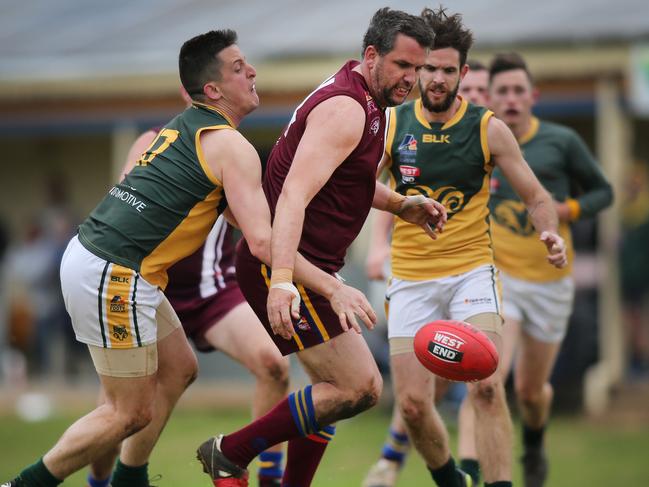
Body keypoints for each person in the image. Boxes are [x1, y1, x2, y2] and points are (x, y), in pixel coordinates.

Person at [3, 29, 371, 487]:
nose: (252, 71)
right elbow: (262, 242)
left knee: (179, 368)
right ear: (213, 89)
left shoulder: (186, 127)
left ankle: (129, 477)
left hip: (115, 266)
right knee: (126, 412)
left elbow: (252, 221)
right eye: (238, 68)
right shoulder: (232, 147)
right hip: (115, 272)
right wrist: (332, 285)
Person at [194, 8, 442, 487]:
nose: (411, 78)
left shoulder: (367, 103)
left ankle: (275, 478)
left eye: (418, 68)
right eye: (402, 66)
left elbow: (347, 180)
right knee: (362, 386)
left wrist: (399, 204)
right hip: (285, 263)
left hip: (303, 262)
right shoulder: (347, 109)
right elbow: (293, 196)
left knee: (334, 391)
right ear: (372, 56)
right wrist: (287, 281)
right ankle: (231, 452)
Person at [359, 8, 568, 487]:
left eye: (447, 71)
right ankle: (452, 481)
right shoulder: (391, 125)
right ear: (416, 68)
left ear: (464, 74)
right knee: (412, 405)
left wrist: (548, 231)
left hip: (472, 271)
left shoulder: (488, 128)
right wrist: (389, 222)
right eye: (428, 68)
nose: (435, 79)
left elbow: (536, 197)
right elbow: (358, 188)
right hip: (410, 276)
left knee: (489, 388)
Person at [86, 96, 291, 487]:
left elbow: (258, 227)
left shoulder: (235, 151)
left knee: (274, 364)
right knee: (118, 412)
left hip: (213, 290)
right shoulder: (150, 141)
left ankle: (269, 478)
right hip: (145, 285)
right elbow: (128, 209)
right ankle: (101, 481)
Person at [362, 55, 491, 487]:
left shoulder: (491, 139)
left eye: (475, 92)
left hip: (477, 268)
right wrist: (379, 246)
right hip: (418, 270)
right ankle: (394, 457)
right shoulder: (406, 127)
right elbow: (393, 195)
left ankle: (468, 471)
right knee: (421, 391)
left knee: (483, 378)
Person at [486, 52, 613, 487]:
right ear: (489, 96)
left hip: (551, 282)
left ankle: (535, 443)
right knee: (491, 379)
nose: (512, 99)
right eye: (502, 91)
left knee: (530, 393)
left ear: (533, 96)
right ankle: (494, 476)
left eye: (519, 90)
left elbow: (604, 192)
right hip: (500, 279)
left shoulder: (560, 142)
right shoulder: (480, 140)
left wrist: (568, 209)